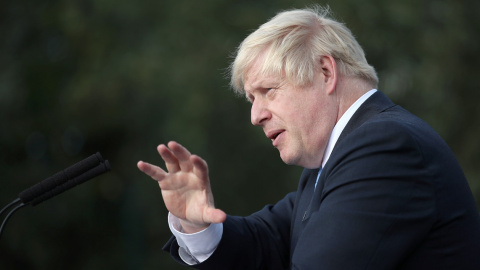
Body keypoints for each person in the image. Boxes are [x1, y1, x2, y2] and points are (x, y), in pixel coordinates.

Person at [137, 6, 480, 270]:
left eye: (268, 91)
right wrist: (196, 224)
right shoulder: (337, 155)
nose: (255, 116)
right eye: (251, 99)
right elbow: (269, 242)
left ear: (326, 72)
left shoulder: (385, 146)